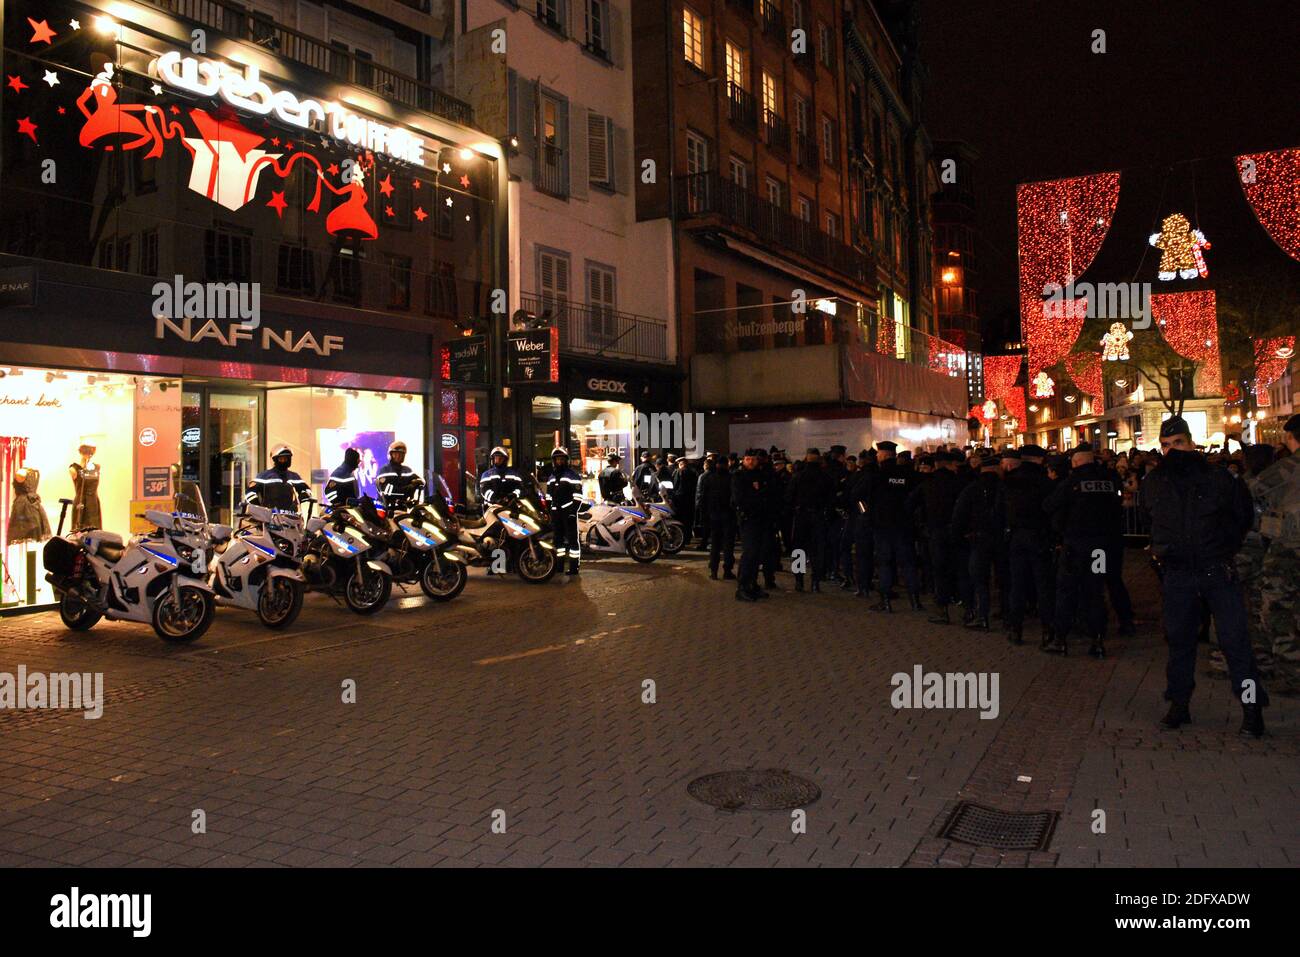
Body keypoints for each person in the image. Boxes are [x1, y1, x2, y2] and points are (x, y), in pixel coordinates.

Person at [1142, 416, 1265, 736]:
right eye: (1166, 446)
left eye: (1178, 443)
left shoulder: (1218, 479)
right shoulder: (1156, 481)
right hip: (1178, 573)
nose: (1172, 451)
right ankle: (1179, 704)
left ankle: (1251, 709)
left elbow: (1242, 517)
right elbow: (1151, 519)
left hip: (1215, 569)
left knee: (1235, 642)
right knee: (1179, 643)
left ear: (1191, 442)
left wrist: (1222, 548)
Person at [1043, 443, 1121, 658]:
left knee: (1066, 591)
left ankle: (1060, 639)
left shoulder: (1071, 482)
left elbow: (1049, 505)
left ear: (1076, 462)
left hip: (1074, 546)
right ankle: (1097, 641)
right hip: (1101, 547)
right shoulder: (1108, 479)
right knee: (1096, 591)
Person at [1249, 414, 1300, 696]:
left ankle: (1292, 674)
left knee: (1278, 610)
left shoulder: (1288, 467)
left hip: (1288, 550)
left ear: (1291, 438)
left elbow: (1253, 490)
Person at [999, 444, 1056, 646]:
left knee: (1017, 584)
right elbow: (1053, 512)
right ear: (1040, 459)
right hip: (1039, 537)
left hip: (1016, 537)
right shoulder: (1045, 483)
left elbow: (1001, 510)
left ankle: (1016, 629)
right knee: (1043, 585)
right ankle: (1048, 630)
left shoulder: (1009, 481)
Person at [911, 450, 963, 624]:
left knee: (939, 569)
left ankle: (942, 609)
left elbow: (910, 504)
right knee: (959, 567)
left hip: (935, 532)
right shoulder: (960, 482)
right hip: (957, 532)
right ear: (950, 464)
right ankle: (967, 606)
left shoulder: (927, 483)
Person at [868, 441, 921, 612]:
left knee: (884, 563)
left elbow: (862, 498)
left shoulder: (877, 475)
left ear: (883, 455)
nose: (877, 456)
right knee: (908, 563)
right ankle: (915, 601)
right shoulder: (908, 474)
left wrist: (867, 515)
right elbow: (916, 497)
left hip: (882, 526)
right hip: (904, 525)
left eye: (878, 454)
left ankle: (885, 601)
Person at [952, 455, 1003, 629]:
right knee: (1004, 578)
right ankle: (1007, 614)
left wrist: (959, 535)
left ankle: (982, 616)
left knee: (979, 579)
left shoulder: (972, 488)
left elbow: (959, 515)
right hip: (1003, 539)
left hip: (979, 539)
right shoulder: (1004, 487)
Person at [787, 448, 834, 592]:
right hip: (818, 516)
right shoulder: (825, 477)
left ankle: (799, 581)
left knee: (799, 550)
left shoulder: (798, 476)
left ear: (806, 458)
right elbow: (831, 499)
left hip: (801, 516)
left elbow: (789, 497)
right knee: (817, 551)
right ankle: (815, 582)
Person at [732, 449, 770, 602]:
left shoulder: (759, 474)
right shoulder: (738, 476)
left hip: (760, 518)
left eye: (753, 459)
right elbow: (739, 499)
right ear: (744, 460)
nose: (751, 462)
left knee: (757, 554)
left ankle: (752, 584)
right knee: (749, 553)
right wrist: (756, 498)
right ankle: (742, 588)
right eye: (748, 459)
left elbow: (766, 494)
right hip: (748, 519)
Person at [545, 446, 583, 575]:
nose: (559, 462)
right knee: (558, 541)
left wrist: (573, 512)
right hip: (556, 514)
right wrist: (548, 511)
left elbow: (578, 496)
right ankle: (559, 566)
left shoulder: (572, 475)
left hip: (568, 513)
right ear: (554, 461)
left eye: (562, 459)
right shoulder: (551, 477)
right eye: (557, 459)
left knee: (572, 541)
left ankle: (573, 568)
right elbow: (549, 496)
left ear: (566, 460)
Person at [697, 453, 736, 580]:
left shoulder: (709, 478)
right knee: (728, 545)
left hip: (713, 516)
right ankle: (727, 571)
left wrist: (705, 514)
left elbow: (702, 497)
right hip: (728, 516)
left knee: (715, 544)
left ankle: (713, 571)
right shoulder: (731, 478)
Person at [245, 444, 310, 511]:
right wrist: (259, 507)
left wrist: (297, 502)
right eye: (281, 459)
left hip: (289, 515)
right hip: (269, 516)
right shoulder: (264, 476)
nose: (284, 461)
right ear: (275, 460)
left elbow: (307, 491)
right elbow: (250, 493)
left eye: (286, 459)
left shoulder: (294, 476)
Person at [378, 440, 426, 508]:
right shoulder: (384, 470)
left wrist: (418, 483)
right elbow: (387, 491)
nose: (399, 456)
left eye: (402, 454)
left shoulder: (407, 470)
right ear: (390, 454)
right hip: (387, 509)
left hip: (404, 507)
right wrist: (409, 488)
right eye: (396, 453)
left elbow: (421, 481)